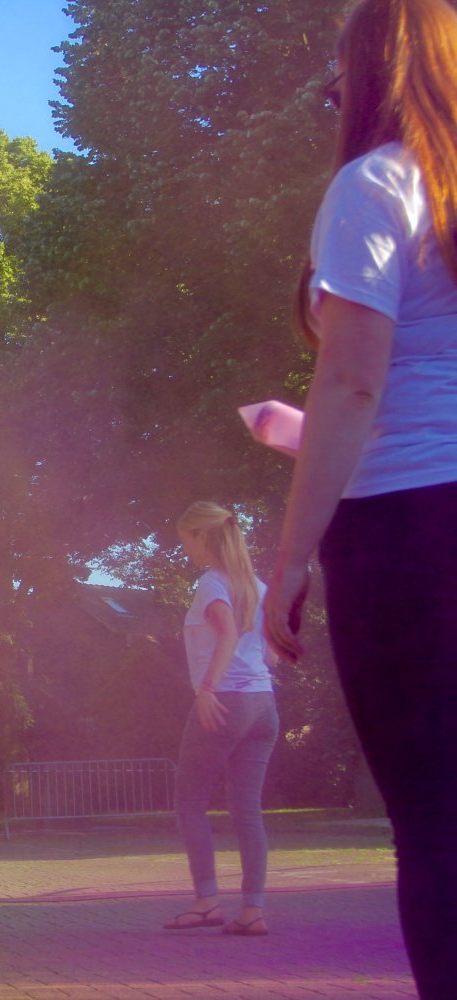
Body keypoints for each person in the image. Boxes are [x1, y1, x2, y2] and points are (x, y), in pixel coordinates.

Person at [263, 1, 457, 993]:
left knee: (436, 822)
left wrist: (291, 558)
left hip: (408, 534)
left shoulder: (375, 184)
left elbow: (350, 384)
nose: (332, 87)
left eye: (338, 66)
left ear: (373, 65)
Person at [163, 502, 278, 937]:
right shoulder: (257, 586)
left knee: (190, 801)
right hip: (263, 705)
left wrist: (208, 688)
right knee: (247, 810)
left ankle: (207, 901)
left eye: (186, 540)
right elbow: (272, 653)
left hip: (225, 701)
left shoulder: (212, 582)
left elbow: (227, 631)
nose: (185, 550)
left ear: (202, 537)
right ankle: (253, 910)